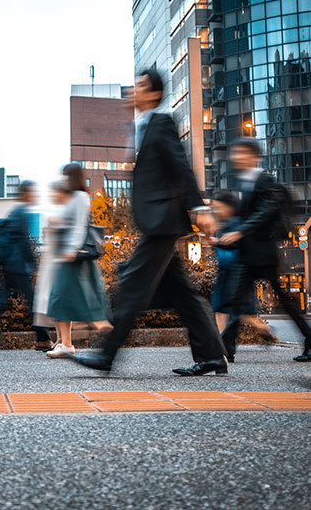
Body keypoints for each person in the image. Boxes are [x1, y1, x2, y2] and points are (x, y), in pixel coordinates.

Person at [69, 69, 228, 376]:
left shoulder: (161, 123)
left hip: (163, 222)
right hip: (158, 221)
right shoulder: (140, 126)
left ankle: (106, 356)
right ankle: (211, 356)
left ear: (154, 94)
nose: (134, 90)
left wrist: (198, 207)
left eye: (141, 86)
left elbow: (181, 166)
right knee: (183, 295)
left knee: (131, 288)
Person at [219, 138, 311, 362]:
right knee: (236, 301)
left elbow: (265, 212)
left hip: (263, 253)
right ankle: (225, 348)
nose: (235, 157)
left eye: (240, 152)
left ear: (252, 155)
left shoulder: (265, 180)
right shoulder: (246, 182)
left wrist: (240, 231)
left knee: (282, 302)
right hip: (250, 253)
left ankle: (224, 349)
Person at [45, 164, 111, 359]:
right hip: (66, 255)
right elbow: (70, 222)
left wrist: (73, 249)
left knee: (62, 297)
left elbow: (80, 226)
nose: (63, 179)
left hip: (72, 255)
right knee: (61, 298)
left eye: (65, 175)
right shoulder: (74, 197)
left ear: (72, 176)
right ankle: (66, 342)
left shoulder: (80, 198)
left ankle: (75, 338)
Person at [0, 181, 53, 351]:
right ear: (26, 193)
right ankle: (43, 340)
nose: (35, 196)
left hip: (10, 265)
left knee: (0, 303)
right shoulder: (22, 213)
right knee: (32, 302)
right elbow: (25, 244)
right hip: (18, 267)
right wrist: (34, 267)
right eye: (33, 192)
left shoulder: (16, 212)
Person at [211, 190, 273, 359]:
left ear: (230, 207)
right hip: (224, 273)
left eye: (219, 208)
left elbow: (236, 245)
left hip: (237, 273)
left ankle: (262, 329)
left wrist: (217, 242)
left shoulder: (238, 224)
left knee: (240, 311)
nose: (216, 211)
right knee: (220, 309)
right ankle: (224, 348)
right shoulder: (222, 226)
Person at [33, 179, 73, 346]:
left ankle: (66, 342)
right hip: (52, 264)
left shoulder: (67, 212)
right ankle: (60, 339)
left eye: (54, 192)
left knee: (60, 303)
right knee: (53, 303)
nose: (51, 195)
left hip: (59, 264)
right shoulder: (60, 212)